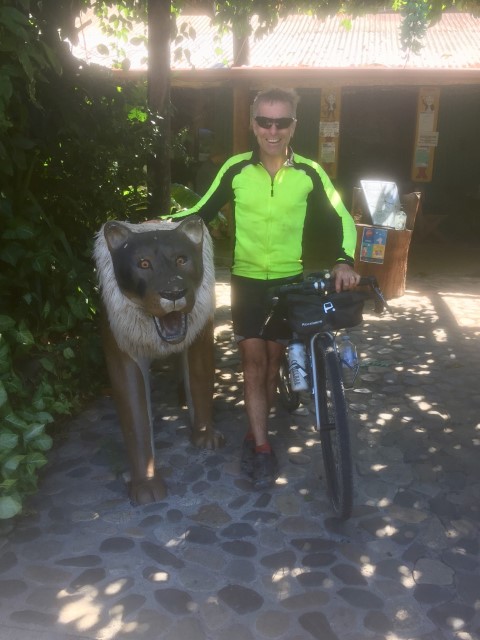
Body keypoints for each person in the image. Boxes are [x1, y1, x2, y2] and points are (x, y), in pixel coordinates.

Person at [172, 88, 360, 490]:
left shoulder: (310, 172)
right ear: (252, 123)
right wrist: (154, 227)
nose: (272, 131)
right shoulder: (236, 169)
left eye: (282, 122)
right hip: (247, 280)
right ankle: (259, 445)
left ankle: (257, 428)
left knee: (274, 363)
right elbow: (198, 212)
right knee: (253, 364)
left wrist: (344, 259)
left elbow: (343, 216)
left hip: (289, 281)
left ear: (294, 125)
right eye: (264, 122)